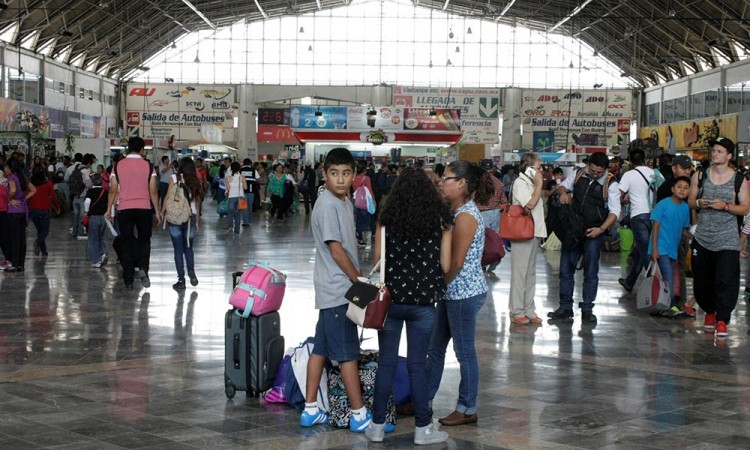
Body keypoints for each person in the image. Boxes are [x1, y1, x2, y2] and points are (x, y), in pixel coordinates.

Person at [365, 168, 452, 445]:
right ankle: (422, 429)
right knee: (417, 365)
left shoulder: (386, 220)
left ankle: (377, 427)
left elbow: (377, 262)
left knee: (386, 364)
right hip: (423, 305)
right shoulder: (441, 221)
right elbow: (446, 266)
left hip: (390, 302)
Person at [300, 148, 371, 432]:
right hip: (338, 289)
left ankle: (310, 410)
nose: (340, 179)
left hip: (334, 287)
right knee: (348, 354)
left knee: (321, 349)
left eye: (345, 173)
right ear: (324, 174)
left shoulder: (343, 201)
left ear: (354, 175)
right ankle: (359, 415)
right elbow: (336, 249)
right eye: (334, 173)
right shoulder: (328, 204)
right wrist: (358, 281)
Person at [426, 160, 493, 427]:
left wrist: (436, 287)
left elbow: (455, 262)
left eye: (447, 178)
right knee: (435, 349)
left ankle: (467, 407)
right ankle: (423, 400)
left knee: (464, 352)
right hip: (451, 292)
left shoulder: (466, 217)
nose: (441, 182)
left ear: (462, 183)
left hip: (464, 293)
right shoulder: (455, 212)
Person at [688, 137, 750, 338]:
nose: (715, 154)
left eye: (720, 151)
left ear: (729, 156)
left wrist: (725, 206)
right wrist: (700, 203)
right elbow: (690, 201)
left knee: (726, 279)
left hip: (727, 239)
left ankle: (722, 319)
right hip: (703, 237)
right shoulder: (700, 175)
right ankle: (709, 312)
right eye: (714, 150)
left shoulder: (739, 179)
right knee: (702, 279)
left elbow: (745, 208)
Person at [549, 152, 621, 322]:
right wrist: (563, 193)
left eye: (599, 172)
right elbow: (562, 186)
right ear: (588, 165)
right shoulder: (579, 173)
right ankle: (565, 307)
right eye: (593, 170)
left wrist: (600, 229)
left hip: (594, 232)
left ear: (605, 169)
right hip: (573, 229)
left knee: (591, 271)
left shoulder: (611, 184)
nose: (595, 174)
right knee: (566, 269)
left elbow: (615, 212)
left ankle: (587, 309)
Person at [105, 137, 162, 290]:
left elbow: (113, 190)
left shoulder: (117, 166)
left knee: (126, 242)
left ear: (128, 148)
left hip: (125, 208)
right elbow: (153, 191)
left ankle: (128, 278)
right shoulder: (149, 166)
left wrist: (109, 209)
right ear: (142, 150)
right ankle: (143, 267)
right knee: (145, 240)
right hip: (144, 208)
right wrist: (157, 211)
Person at [509, 152, 546, 324]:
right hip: (522, 233)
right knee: (520, 273)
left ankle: (529, 309)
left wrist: (537, 184)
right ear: (528, 168)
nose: (541, 171)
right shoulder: (520, 183)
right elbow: (529, 204)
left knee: (530, 273)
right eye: (538, 168)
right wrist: (539, 185)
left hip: (534, 232)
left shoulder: (531, 183)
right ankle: (517, 311)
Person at [650, 176, 692, 318]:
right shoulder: (663, 204)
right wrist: (654, 249)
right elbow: (655, 226)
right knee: (669, 278)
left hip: (673, 249)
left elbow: (684, 229)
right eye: (679, 187)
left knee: (671, 278)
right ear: (673, 189)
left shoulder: (685, 208)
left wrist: (695, 238)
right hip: (661, 247)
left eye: (685, 188)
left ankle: (663, 306)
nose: (682, 190)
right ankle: (670, 306)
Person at [618, 149, 656, 293]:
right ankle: (630, 281)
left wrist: (624, 201)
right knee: (641, 249)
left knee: (644, 250)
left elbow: (619, 194)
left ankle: (655, 284)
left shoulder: (629, 175)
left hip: (638, 215)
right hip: (654, 215)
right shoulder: (654, 173)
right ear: (645, 159)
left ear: (630, 161)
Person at [161, 158, 203, 290]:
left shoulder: (174, 178)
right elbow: (197, 202)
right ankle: (191, 271)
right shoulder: (195, 180)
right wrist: (197, 221)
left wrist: (162, 212)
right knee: (188, 248)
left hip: (175, 216)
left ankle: (181, 280)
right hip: (191, 217)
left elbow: (168, 197)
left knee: (178, 250)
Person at [5, 157, 37, 272]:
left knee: (14, 238)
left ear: (10, 167)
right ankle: (21, 265)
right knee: (22, 238)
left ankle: (14, 264)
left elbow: (13, 190)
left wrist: (9, 199)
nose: (5, 169)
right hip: (23, 210)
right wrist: (24, 198)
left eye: (6, 167)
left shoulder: (11, 177)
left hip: (13, 211)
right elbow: (33, 190)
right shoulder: (23, 176)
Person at [28, 165, 60, 257]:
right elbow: (53, 196)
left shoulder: (30, 183)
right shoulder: (48, 183)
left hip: (33, 209)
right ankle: (37, 242)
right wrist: (57, 207)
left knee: (40, 231)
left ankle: (44, 251)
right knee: (45, 231)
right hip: (45, 209)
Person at [84, 173, 109, 268]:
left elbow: (87, 202)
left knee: (93, 239)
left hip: (94, 217)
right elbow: (109, 204)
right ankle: (104, 252)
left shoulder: (90, 191)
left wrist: (86, 211)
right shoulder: (105, 192)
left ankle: (96, 261)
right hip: (104, 217)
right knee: (102, 237)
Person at [352, 163, 374, 247]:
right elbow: (369, 190)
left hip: (356, 201)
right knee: (366, 220)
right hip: (365, 202)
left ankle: (359, 237)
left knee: (359, 219)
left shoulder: (353, 179)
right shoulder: (366, 178)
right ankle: (358, 234)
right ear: (364, 171)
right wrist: (373, 200)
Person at [225, 161, 247, 234]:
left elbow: (228, 189)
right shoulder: (242, 177)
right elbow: (245, 187)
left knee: (230, 213)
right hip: (241, 197)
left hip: (231, 197)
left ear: (231, 168)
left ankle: (230, 226)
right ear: (239, 168)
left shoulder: (228, 178)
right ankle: (237, 230)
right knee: (238, 214)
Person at [239, 158, 257, 226]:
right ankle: (249, 220)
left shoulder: (240, 170)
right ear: (250, 163)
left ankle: (245, 221)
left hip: (242, 191)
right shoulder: (254, 170)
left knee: (243, 206)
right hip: (251, 191)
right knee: (250, 206)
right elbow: (258, 178)